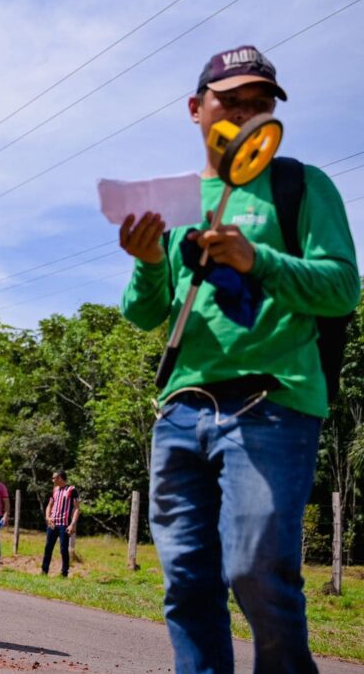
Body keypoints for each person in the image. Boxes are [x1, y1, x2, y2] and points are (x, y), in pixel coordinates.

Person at [119, 45, 359, 672]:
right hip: (180, 411)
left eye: (261, 104)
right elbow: (146, 314)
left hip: (272, 405)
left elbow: (343, 287)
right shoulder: (174, 199)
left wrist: (260, 261)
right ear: (196, 108)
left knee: (257, 569)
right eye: (233, 101)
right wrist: (147, 263)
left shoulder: (301, 185)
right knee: (187, 584)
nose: (248, 114)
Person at [41, 470, 79, 578]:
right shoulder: (55, 490)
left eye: (54, 478)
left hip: (64, 524)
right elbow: (49, 505)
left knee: (63, 549)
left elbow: (76, 508)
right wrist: (48, 517)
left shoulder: (72, 490)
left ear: (60, 478)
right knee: (48, 547)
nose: (52, 480)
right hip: (53, 524)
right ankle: (44, 571)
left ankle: (64, 573)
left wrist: (72, 524)